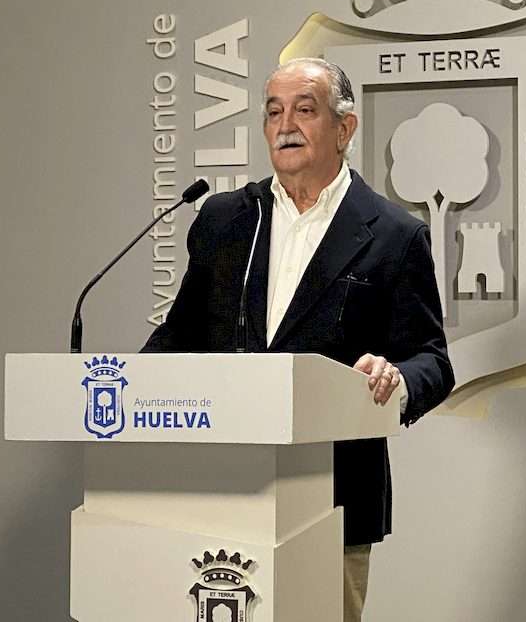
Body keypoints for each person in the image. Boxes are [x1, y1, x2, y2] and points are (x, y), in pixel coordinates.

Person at [144, 57, 454, 621]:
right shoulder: (224, 219)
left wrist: (397, 378)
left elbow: (432, 360)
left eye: (304, 110)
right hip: (219, 489)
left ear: (344, 128)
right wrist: (123, 389)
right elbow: (178, 336)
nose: (285, 125)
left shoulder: (394, 235)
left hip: (332, 498)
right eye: (273, 112)